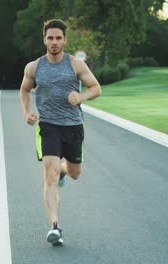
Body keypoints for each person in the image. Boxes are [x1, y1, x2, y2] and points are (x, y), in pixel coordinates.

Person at [19, 19, 101, 246]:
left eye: (58, 38)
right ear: (44, 39)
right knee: (50, 176)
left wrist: (81, 97)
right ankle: (54, 227)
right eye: (50, 38)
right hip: (48, 127)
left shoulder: (75, 65)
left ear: (64, 40)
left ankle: (66, 170)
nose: (54, 42)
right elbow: (25, 89)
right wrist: (27, 111)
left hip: (73, 127)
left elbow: (96, 88)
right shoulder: (34, 67)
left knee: (75, 173)